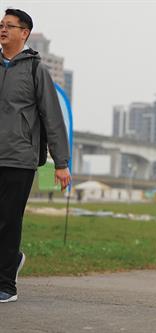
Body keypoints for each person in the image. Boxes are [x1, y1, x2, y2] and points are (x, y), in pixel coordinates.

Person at [0, 9, 71, 303]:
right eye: (1, 25)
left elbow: (52, 117)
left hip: (19, 157)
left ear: (24, 33)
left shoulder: (35, 69)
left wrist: (62, 163)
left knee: (8, 220)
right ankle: (13, 260)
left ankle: (6, 284)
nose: (3, 29)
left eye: (9, 26)